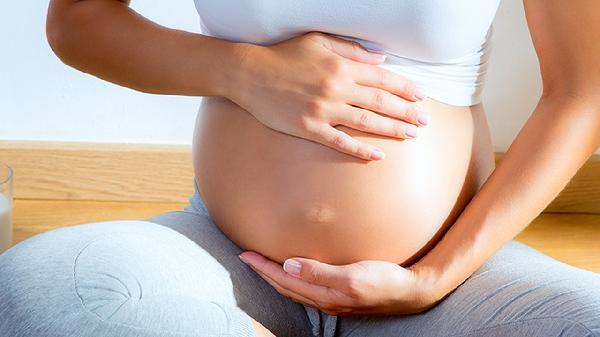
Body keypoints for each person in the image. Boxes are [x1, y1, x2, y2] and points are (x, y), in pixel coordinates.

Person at [1, 0, 599, 336]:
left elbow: (584, 89)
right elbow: (79, 19)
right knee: (50, 283)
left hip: (448, 283)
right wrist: (243, 71)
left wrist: (434, 278)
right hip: (227, 260)